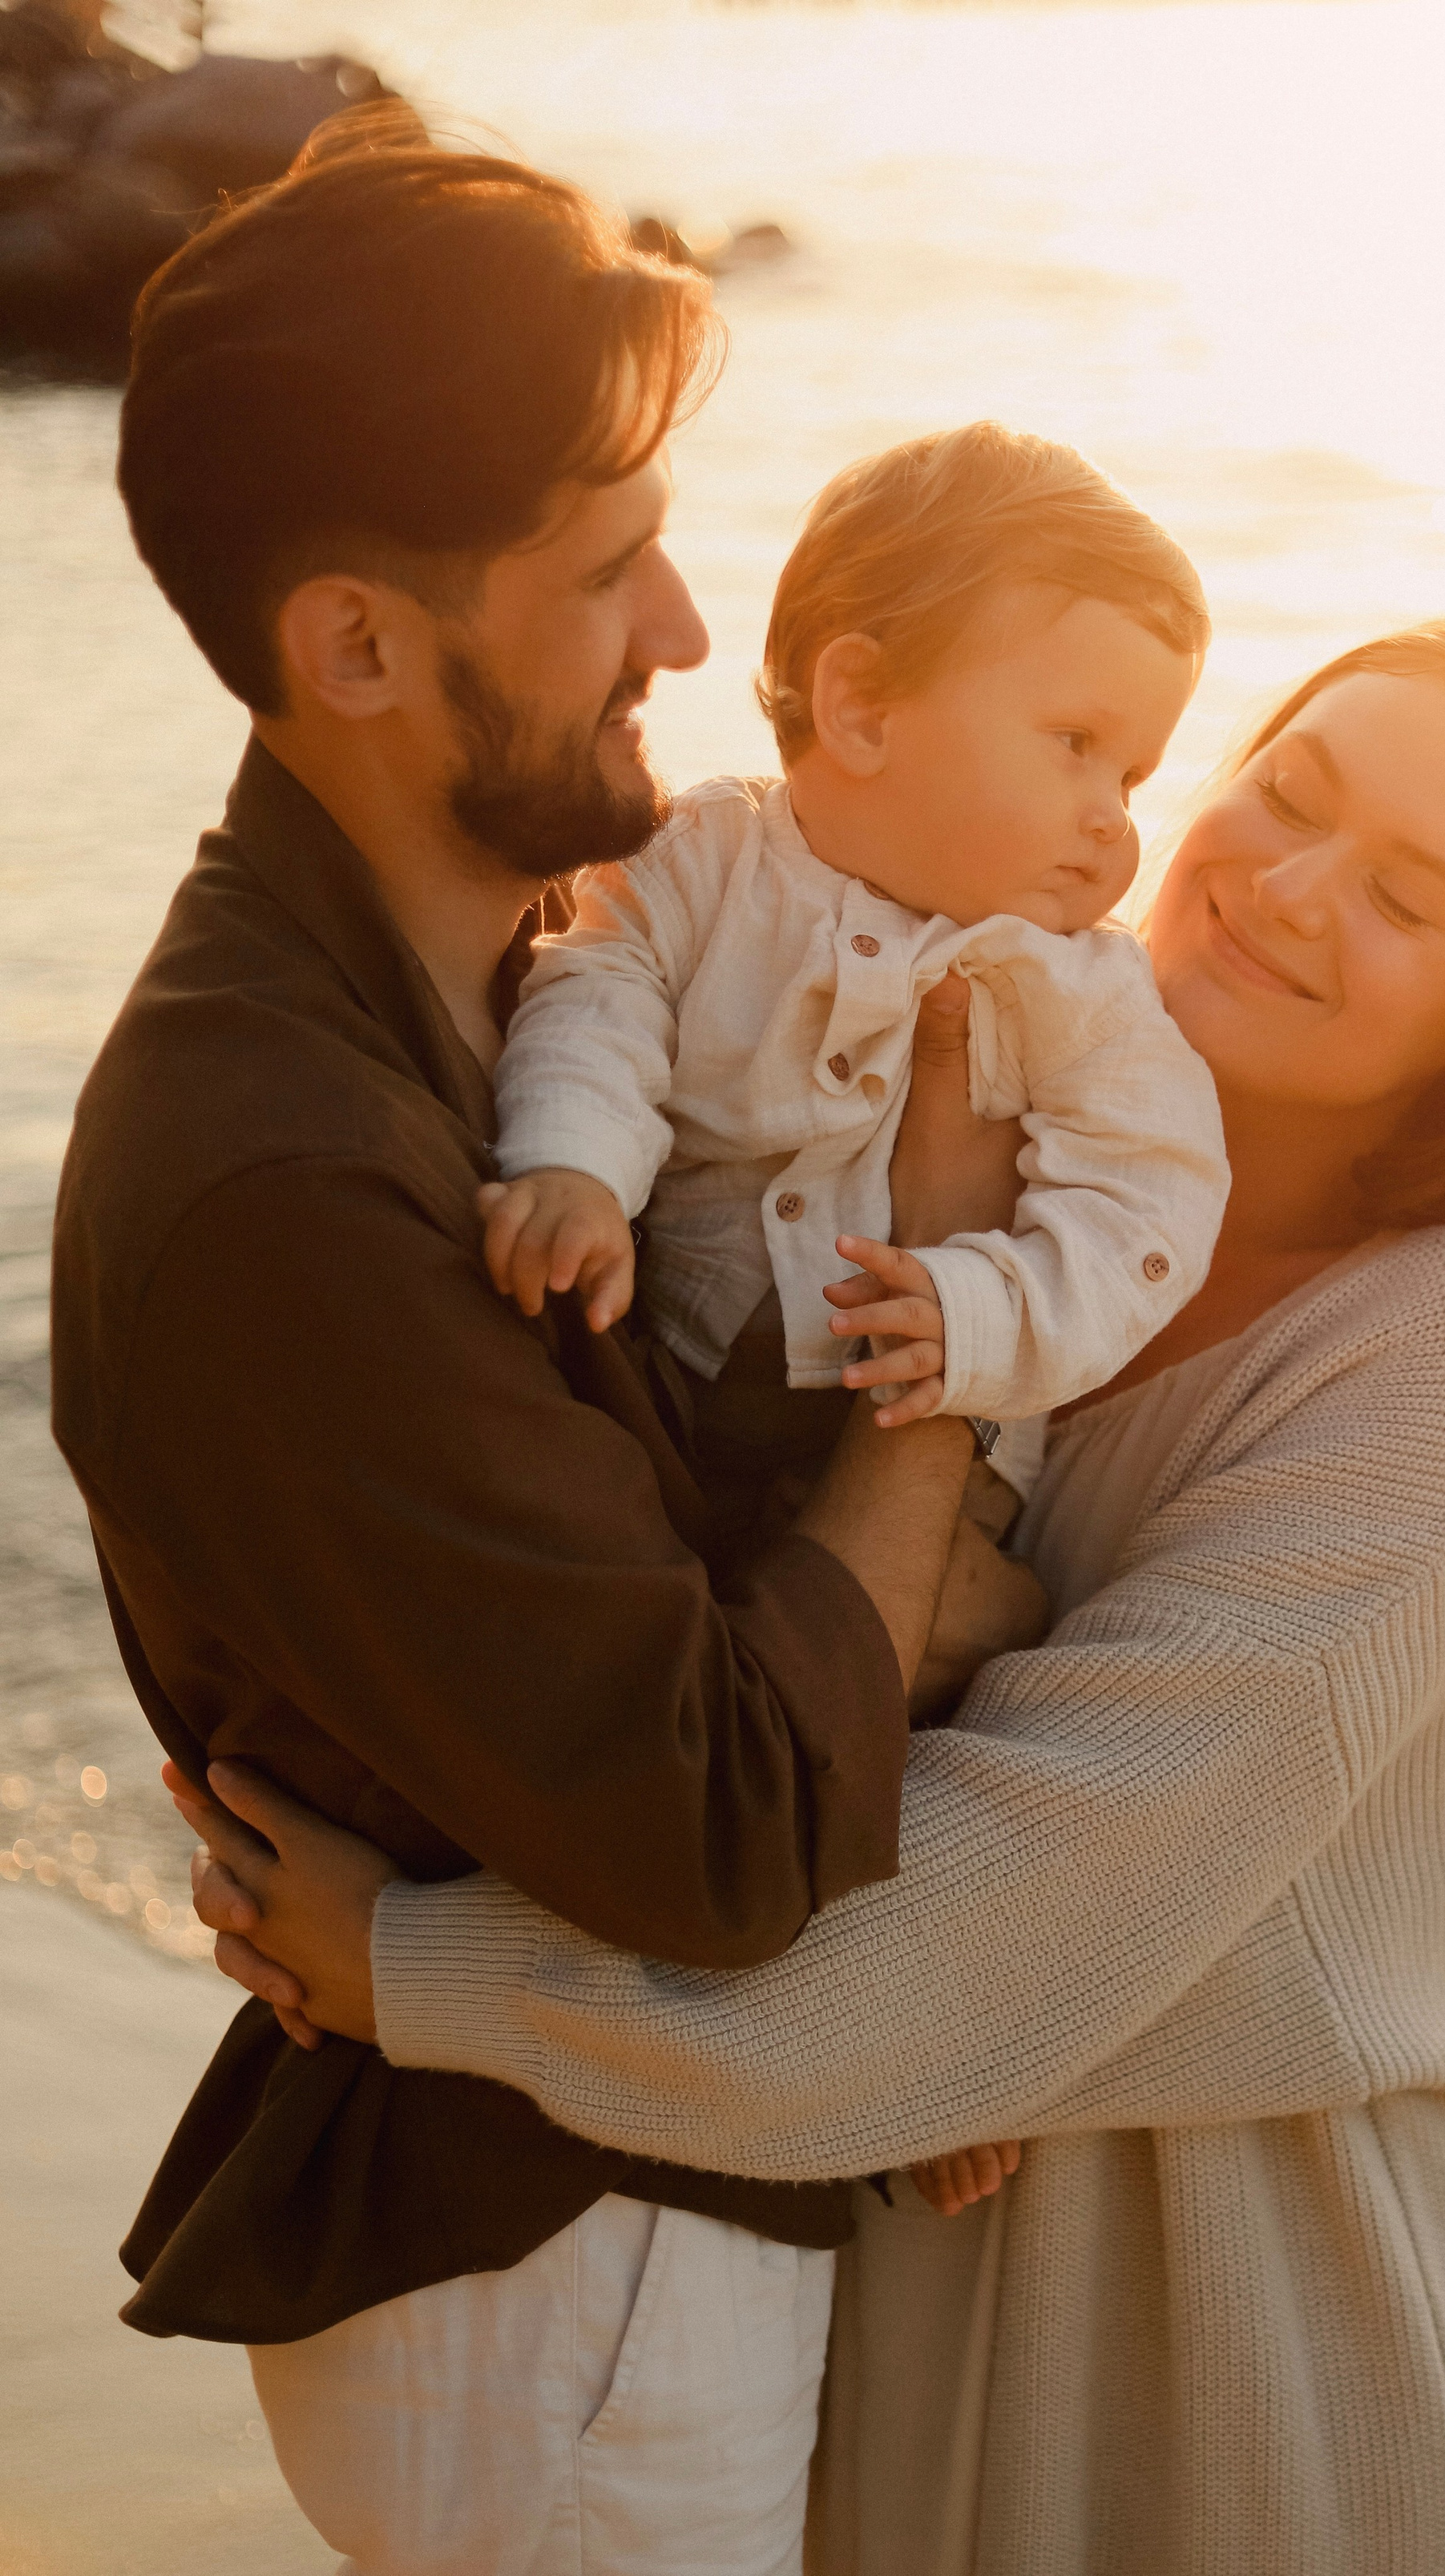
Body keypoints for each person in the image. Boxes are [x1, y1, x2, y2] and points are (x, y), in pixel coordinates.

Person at [182, 614, 1445, 2574]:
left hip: (1247, 2367)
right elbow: (728, 1610)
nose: (1289, 882)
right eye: (1290, 795)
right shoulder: (1018, 1166)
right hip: (896, 2250)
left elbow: (998, 1910)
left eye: (1406, 895)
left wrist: (421, 1967)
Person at [51, 122, 1035, 2576]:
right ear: (358, 648)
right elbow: (718, 1820)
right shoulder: (283, 1172)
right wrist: (935, 1318)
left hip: (610, 2213)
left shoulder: (533, 965)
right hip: (562, 2294)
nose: (694, 633)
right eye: (608, 573)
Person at [485, 422, 1228, 1527]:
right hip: (676, 1377)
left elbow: (1150, 1201)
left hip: (924, 1425)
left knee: (949, 1599)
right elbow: (599, 994)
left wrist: (981, 1315)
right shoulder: (704, 861)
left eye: (1133, 774)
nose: (1111, 820)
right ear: (863, 708)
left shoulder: (1078, 981)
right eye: (1076, 742)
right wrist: (576, 1166)